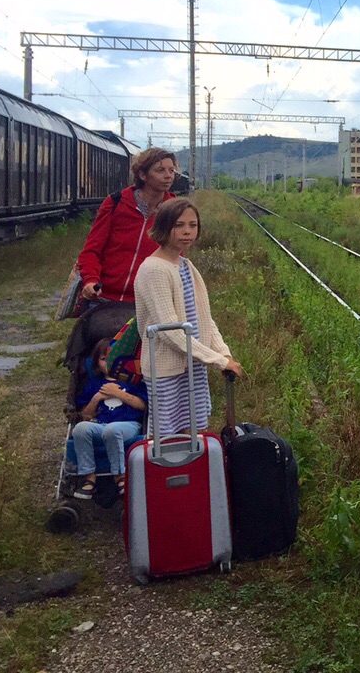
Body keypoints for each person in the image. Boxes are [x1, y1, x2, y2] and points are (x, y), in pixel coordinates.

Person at [64, 148, 180, 393]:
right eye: (160, 170)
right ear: (142, 174)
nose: (168, 175)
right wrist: (90, 280)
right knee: (95, 358)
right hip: (104, 298)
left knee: (143, 366)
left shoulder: (174, 209)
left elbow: (175, 258)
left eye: (171, 170)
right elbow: (92, 250)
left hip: (144, 302)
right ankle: (88, 402)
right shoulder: (116, 203)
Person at [134, 198, 242, 436]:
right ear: (163, 227)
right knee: (167, 439)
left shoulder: (186, 265)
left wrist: (223, 352)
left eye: (193, 225)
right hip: (166, 370)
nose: (187, 231)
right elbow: (171, 330)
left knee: (193, 433)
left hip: (192, 366)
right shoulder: (154, 269)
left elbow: (204, 319)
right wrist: (217, 360)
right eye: (179, 225)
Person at [70, 339, 148, 499]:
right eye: (104, 359)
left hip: (128, 425)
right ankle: (88, 476)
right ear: (97, 363)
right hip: (100, 424)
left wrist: (118, 394)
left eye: (114, 359)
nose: (109, 363)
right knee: (80, 429)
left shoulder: (132, 382)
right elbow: (85, 416)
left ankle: (120, 475)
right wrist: (97, 398)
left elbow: (143, 406)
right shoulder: (93, 385)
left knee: (112, 431)